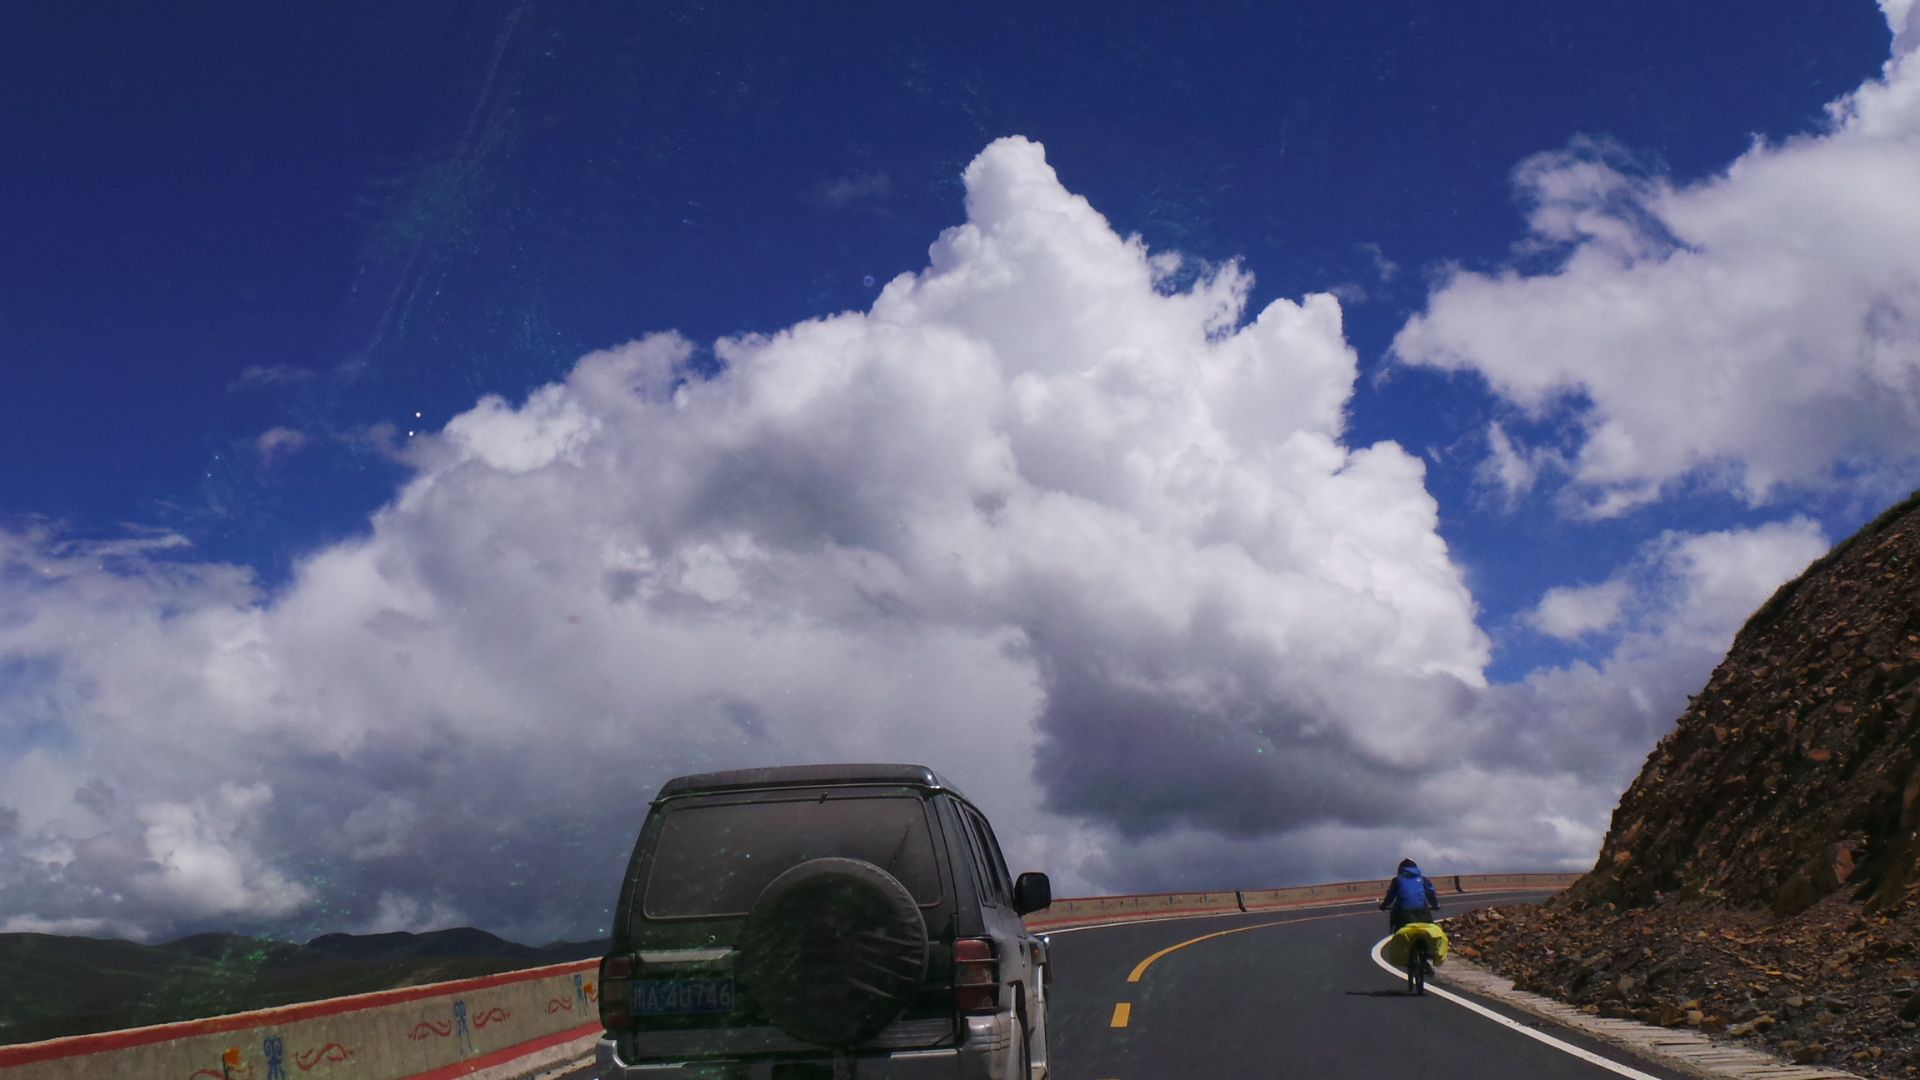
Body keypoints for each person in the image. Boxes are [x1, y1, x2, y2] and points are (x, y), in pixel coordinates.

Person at [1379, 858, 1439, 930]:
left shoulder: (1397, 880)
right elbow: (1431, 894)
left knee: (1397, 928)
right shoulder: (1423, 879)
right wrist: (1435, 905)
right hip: (1422, 912)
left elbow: (1390, 896)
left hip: (1404, 914)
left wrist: (1384, 905)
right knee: (1429, 930)